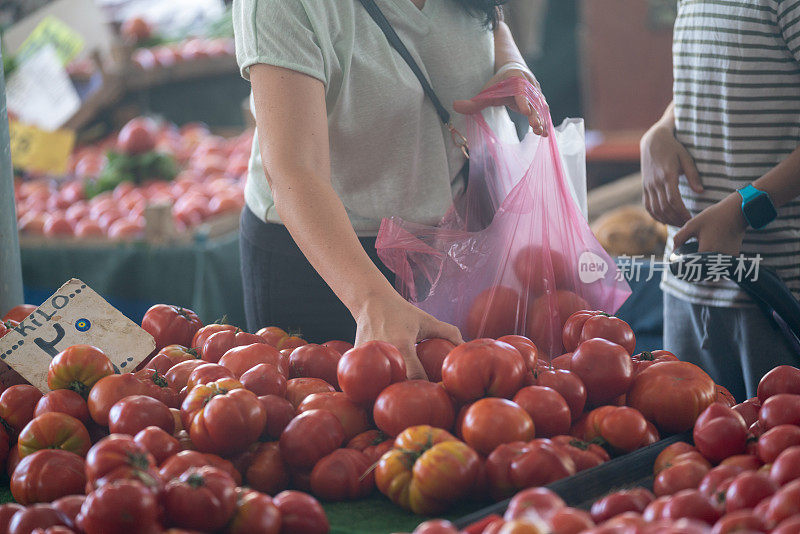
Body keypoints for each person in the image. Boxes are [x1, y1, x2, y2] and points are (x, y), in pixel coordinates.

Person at [232, 0, 544, 379]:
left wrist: (512, 66)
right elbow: (296, 169)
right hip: (329, 260)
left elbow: (487, 21)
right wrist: (368, 300)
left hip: (450, 244)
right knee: (339, 427)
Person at [641, 0, 800, 401]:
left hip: (772, 296)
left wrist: (743, 209)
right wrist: (660, 131)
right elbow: (706, 85)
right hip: (685, 290)